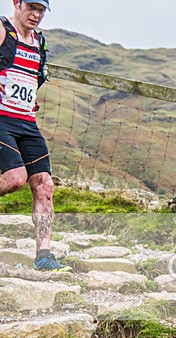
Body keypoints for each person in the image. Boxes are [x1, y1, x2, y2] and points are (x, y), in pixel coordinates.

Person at [0, 0, 70, 272]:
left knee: (44, 185)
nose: (36, 15)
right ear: (16, 3)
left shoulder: (39, 41)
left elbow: (30, 77)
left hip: (27, 122)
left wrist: (29, 99)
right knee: (16, 178)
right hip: (2, 119)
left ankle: (44, 255)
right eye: (31, 7)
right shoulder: (3, 30)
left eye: (41, 10)